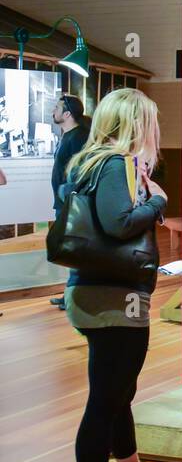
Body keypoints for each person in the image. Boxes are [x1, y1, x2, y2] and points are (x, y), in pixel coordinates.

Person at [67, 89, 182, 462]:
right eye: (151, 121)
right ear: (135, 124)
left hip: (96, 295)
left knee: (116, 393)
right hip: (112, 301)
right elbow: (118, 224)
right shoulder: (116, 164)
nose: (156, 130)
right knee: (105, 402)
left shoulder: (89, 162)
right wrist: (158, 201)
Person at [49, 93, 92, 308]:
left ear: (67, 114)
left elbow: (81, 172)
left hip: (72, 203)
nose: (52, 112)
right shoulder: (68, 135)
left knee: (74, 250)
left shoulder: (77, 137)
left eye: (56, 108)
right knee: (70, 250)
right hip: (64, 202)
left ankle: (74, 297)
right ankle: (71, 294)